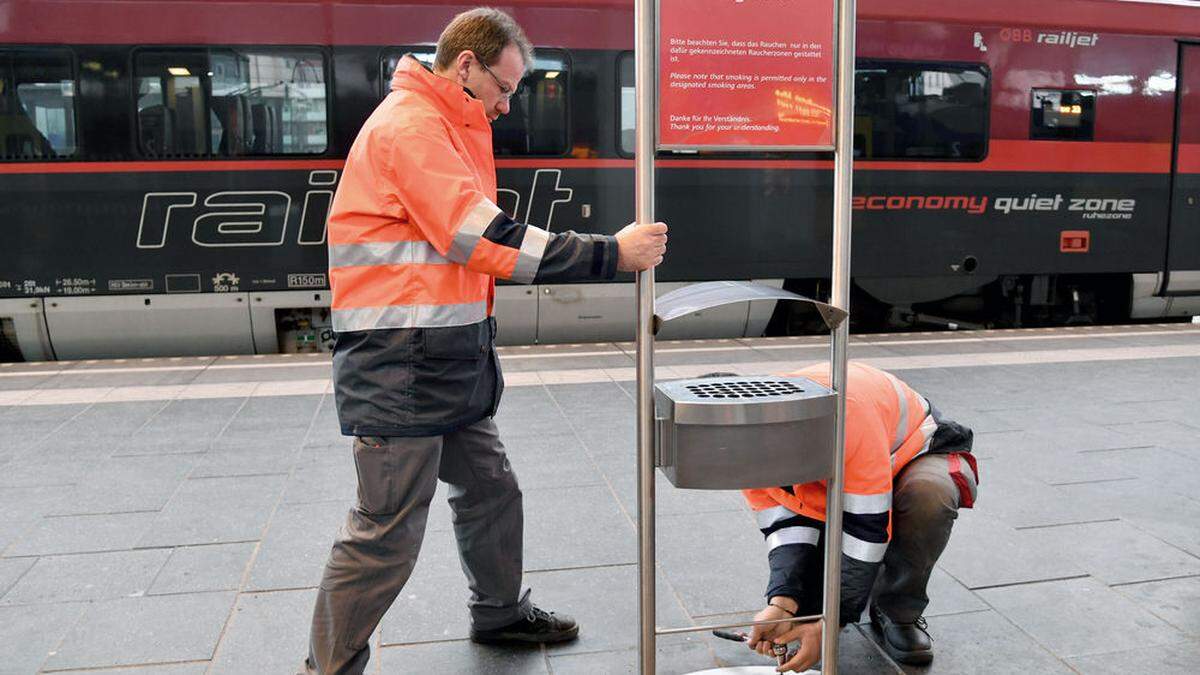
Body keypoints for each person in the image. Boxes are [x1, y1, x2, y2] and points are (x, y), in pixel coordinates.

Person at [303, 8, 668, 674]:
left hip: (444, 359)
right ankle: (326, 668)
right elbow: (483, 238)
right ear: (465, 65)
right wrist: (608, 254)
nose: (506, 105)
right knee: (385, 529)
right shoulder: (411, 128)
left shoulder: (452, 124)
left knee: (492, 488)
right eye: (503, 88)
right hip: (400, 366)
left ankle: (500, 611)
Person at [741, 362, 977, 671]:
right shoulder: (744, 446)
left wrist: (832, 622)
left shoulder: (845, 419)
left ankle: (898, 610)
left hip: (915, 450)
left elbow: (866, 529)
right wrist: (783, 602)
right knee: (813, 604)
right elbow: (787, 528)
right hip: (849, 463)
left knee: (929, 496)